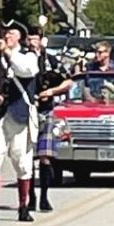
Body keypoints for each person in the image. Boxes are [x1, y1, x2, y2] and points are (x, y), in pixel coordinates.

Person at [0, 21, 39, 223]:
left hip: (19, 115)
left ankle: (23, 206)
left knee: (22, 161)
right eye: (5, 33)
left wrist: (9, 54)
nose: (6, 36)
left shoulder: (28, 56)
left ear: (19, 36)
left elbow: (26, 70)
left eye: (11, 33)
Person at [26, 28, 72, 213]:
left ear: (41, 40)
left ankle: (44, 197)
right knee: (27, 157)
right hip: (27, 111)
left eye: (34, 39)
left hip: (46, 111)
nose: (30, 42)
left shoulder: (50, 60)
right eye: (28, 39)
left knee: (45, 156)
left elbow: (68, 81)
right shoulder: (20, 59)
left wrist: (51, 92)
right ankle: (30, 197)